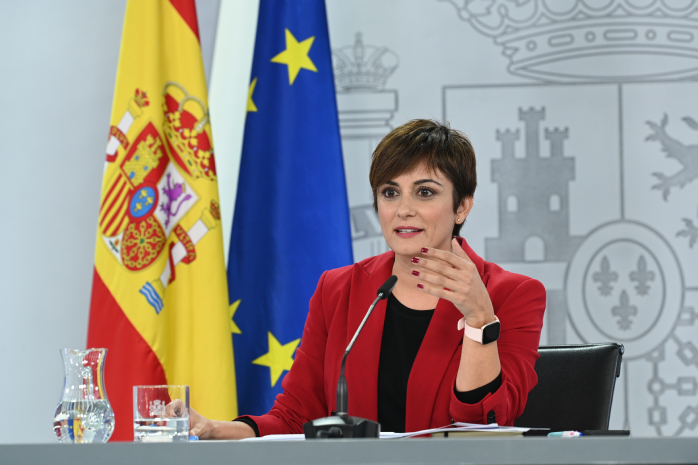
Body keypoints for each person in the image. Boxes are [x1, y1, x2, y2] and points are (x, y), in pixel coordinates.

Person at [182, 119, 546, 439]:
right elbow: (296, 417)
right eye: (390, 193)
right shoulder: (339, 290)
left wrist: (480, 319)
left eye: (425, 192)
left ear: (462, 206)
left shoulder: (512, 294)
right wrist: (215, 429)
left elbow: (485, 427)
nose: (404, 209)